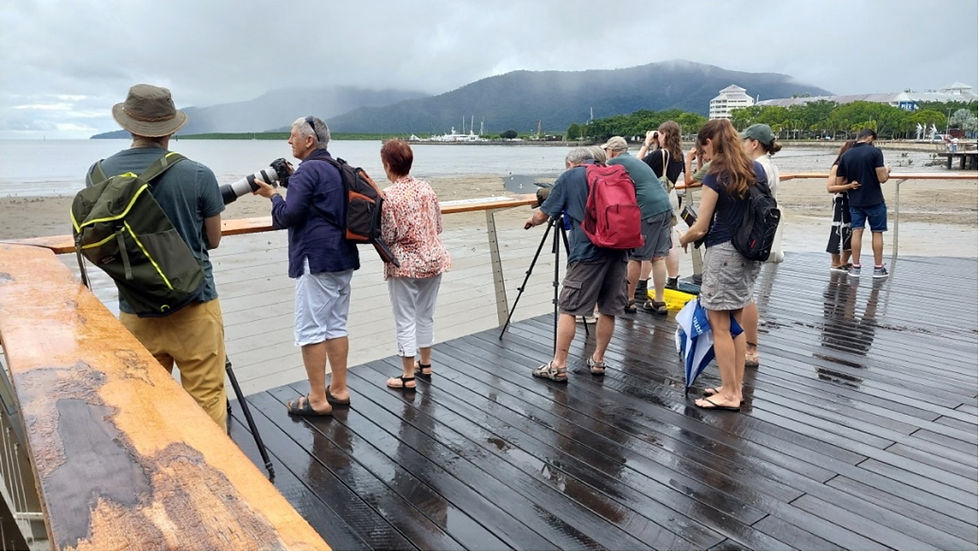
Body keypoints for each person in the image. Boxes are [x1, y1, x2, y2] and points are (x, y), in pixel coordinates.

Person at [89, 84, 227, 428]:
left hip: (135, 306)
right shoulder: (198, 173)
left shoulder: (99, 174)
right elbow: (212, 240)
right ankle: (215, 478)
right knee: (206, 399)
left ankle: (155, 475)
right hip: (195, 304)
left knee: (144, 402)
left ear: (128, 125)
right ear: (171, 129)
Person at [252, 116, 359, 416]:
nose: (289, 141)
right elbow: (319, 203)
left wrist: (273, 195)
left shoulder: (307, 172)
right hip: (342, 258)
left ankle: (316, 400)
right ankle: (338, 389)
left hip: (316, 260)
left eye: (292, 136)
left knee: (310, 331)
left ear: (308, 140)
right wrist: (290, 180)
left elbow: (289, 216)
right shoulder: (336, 167)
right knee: (336, 325)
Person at [679, 119, 765, 411]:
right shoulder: (754, 168)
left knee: (719, 325)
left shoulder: (716, 174)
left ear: (708, 144)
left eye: (702, 148)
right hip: (749, 252)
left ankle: (729, 394)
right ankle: (735, 386)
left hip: (724, 252)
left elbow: (701, 226)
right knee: (735, 325)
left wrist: (683, 238)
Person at [523, 147, 628, 381]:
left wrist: (531, 220)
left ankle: (558, 365)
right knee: (608, 308)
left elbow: (544, 214)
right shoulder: (612, 172)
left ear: (571, 163)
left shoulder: (571, 176)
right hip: (619, 248)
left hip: (588, 251)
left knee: (568, 308)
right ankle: (598, 360)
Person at [377, 139, 452, 389]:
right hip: (433, 258)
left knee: (405, 318)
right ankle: (426, 363)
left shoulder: (388, 196)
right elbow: (438, 226)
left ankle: (408, 376)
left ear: (388, 165)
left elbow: (388, 236)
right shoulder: (426, 188)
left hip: (405, 264)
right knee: (426, 314)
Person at [601, 136, 673, 315]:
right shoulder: (635, 161)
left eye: (606, 151)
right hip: (665, 208)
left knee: (636, 257)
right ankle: (659, 300)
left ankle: (629, 299)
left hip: (648, 212)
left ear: (611, 151)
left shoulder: (614, 163)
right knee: (658, 257)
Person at [738, 123, 782, 368]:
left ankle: (749, 347)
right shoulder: (771, 167)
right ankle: (746, 344)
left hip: (752, 236)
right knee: (748, 290)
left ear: (754, 143)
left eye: (745, 141)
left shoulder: (757, 168)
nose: (742, 145)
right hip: (763, 235)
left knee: (745, 293)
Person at [835, 128, 891, 279]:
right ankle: (878, 268)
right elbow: (882, 178)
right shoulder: (875, 152)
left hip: (855, 200)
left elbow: (839, 182)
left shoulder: (846, 155)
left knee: (857, 232)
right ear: (870, 138)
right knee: (877, 232)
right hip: (874, 199)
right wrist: (887, 170)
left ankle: (856, 267)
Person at [638, 121, 687, 291]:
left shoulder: (660, 154)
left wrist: (646, 144)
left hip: (655, 201)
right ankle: (673, 280)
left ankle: (641, 283)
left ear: (664, 134)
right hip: (671, 196)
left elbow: (636, 166)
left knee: (647, 243)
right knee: (669, 240)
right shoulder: (679, 155)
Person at [826, 140, 859, 271]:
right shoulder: (837, 167)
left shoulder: (855, 167)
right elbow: (830, 187)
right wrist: (849, 186)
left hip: (853, 200)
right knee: (838, 228)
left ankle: (844, 260)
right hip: (841, 199)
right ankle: (835, 262)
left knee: (851, 229)